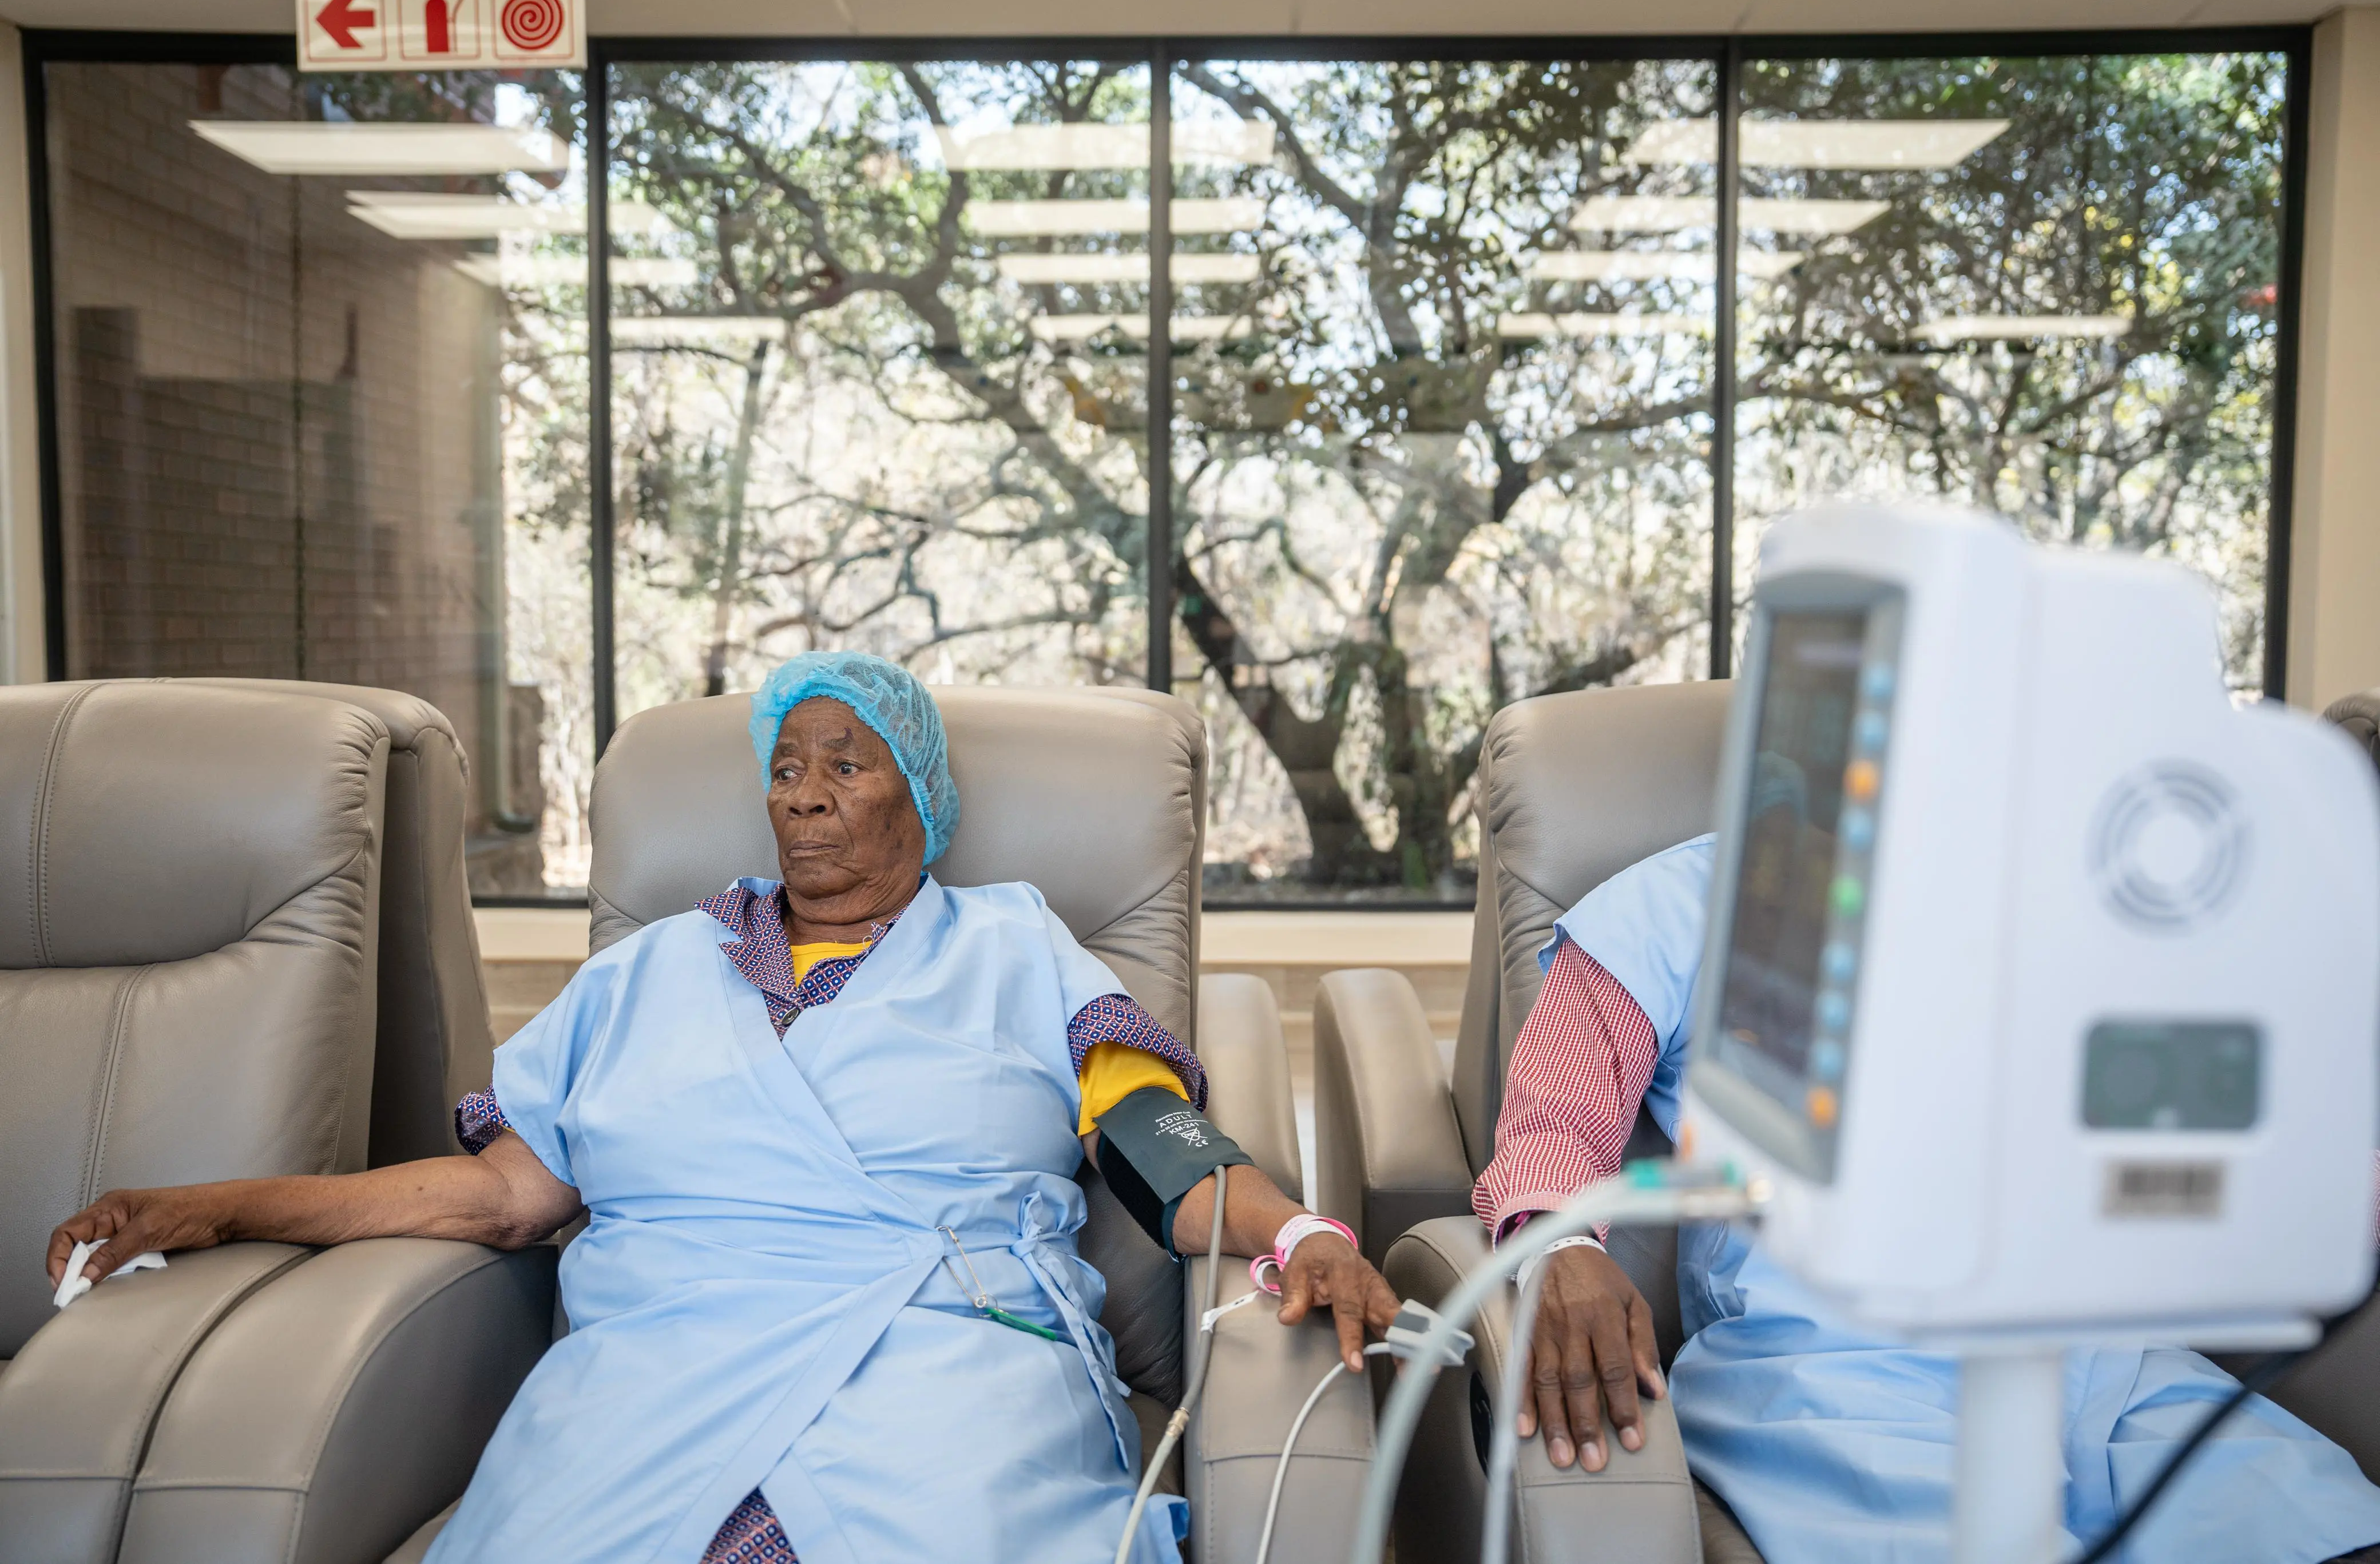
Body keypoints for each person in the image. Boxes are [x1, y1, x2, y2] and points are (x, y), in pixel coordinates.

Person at [46, 652, 1398, 1564]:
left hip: (938, 1363)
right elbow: (501, 1196)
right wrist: (219, 1203)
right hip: (654, 1372)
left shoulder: (1015, 946)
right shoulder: (644, 972)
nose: (803, 794)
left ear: (922, 796)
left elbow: (1154, 1143)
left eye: (847, 766)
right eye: (787, 766)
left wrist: (1301, 1237)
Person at [1474, 829, 2380, 1564]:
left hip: (2095, 1351)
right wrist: (1561, 1247)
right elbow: (1556, 1124)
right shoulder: (1674, 908)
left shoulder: (2061, 905)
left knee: (2312, 1518)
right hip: (1835, 1372)